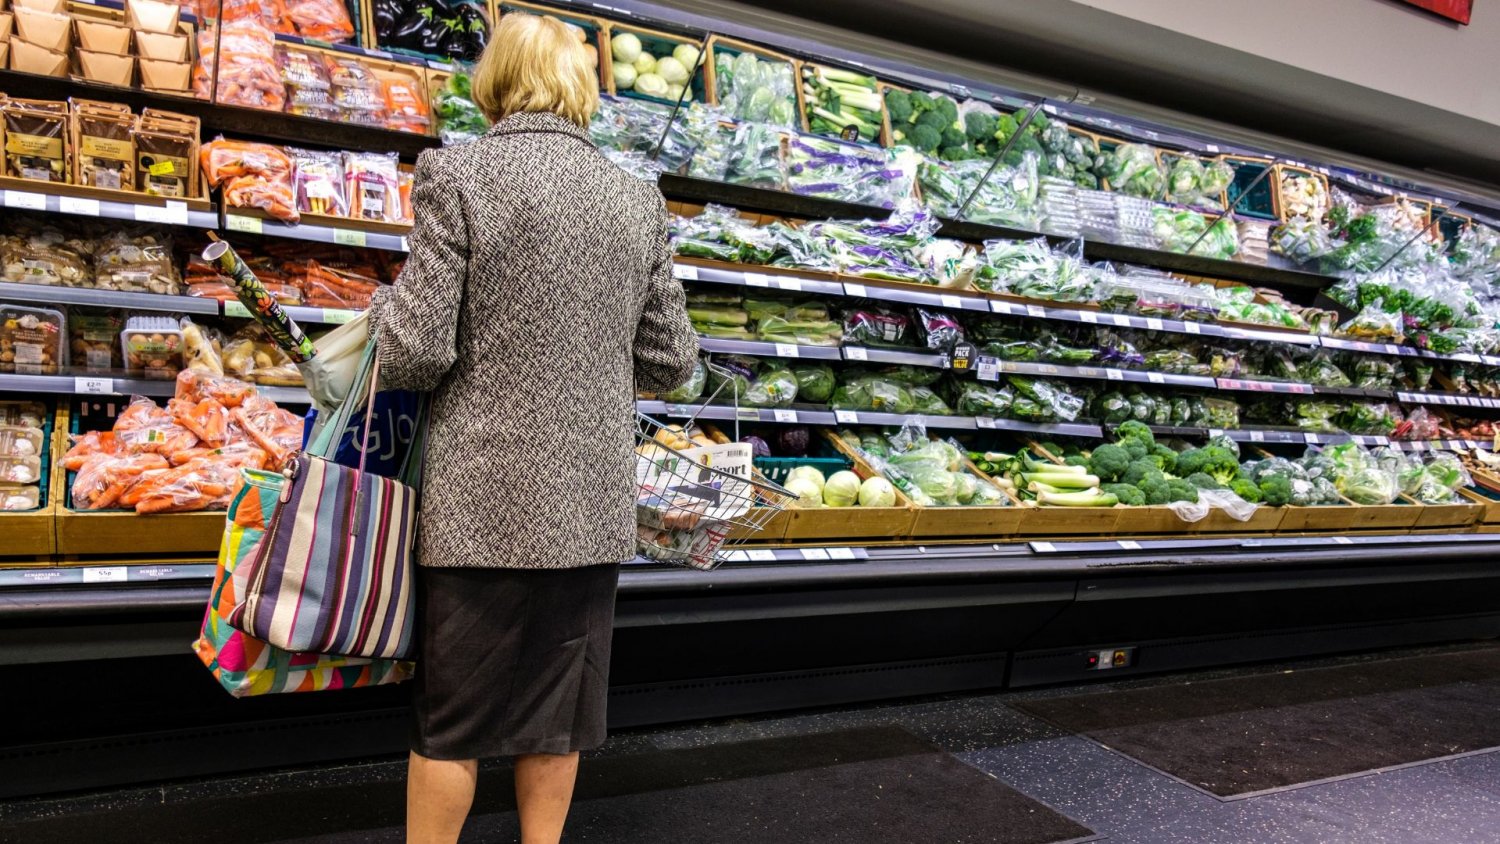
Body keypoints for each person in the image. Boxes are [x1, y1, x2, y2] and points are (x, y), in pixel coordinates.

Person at [365, 13, 699, 844]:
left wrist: (377, 311)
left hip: (481, 503)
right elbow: (671, 361)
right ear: (581, 85)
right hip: (587, 505)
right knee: (558, 717)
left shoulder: (460, 174)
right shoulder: (636, 196)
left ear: (496, 81)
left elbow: (415, 349)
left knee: (453, 719)